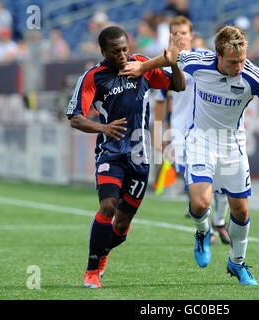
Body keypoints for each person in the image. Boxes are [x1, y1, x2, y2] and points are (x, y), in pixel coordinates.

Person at [120, 26, 259, 286]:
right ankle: (202, 232)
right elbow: (171, 58)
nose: (239, 66)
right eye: (233, 61)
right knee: (199, 204)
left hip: (233, 144)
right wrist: (141, 68)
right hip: (201, 141)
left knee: (240, 210)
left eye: (241, 60)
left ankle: (237, 262)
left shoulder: (252, 74)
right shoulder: (199, 62)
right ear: (218, 55)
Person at [66, 25, 185, 289]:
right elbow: (75, 118)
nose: (122, 55)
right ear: (103, 51)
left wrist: (174, 64)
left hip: (141, 157)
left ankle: (105, 251)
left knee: (121, 226)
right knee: (107, 206)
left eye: (124, 49)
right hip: (111, 153)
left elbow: (178, 86)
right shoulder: (93, 77)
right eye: (115, 51)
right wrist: (103, 128)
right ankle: (91, 269)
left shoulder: (141, 65)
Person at [153, 15, 230, 245]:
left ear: (191, 35)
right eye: (175, 34)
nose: (180, 37)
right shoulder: (166, 63)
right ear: (170, 36)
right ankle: (208, 229)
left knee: (222, 178)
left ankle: (218, 221)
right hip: (180, 132)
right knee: (194, 180)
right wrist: (158, 135)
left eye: (183, 33)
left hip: (210, 129)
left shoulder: (207, 58)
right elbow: (160, 100)